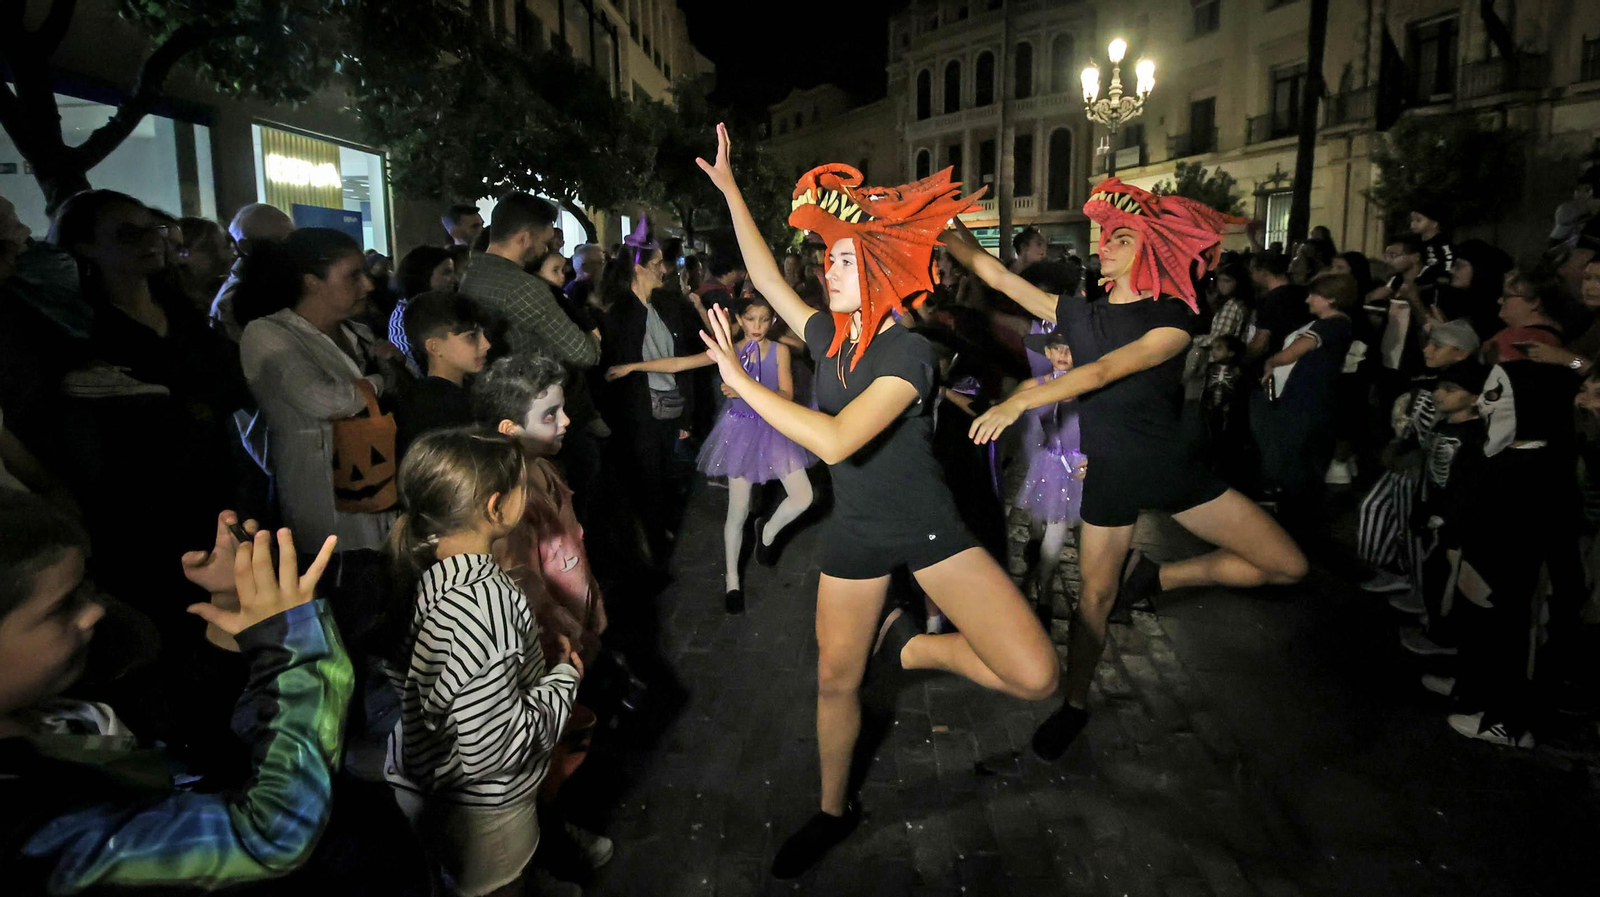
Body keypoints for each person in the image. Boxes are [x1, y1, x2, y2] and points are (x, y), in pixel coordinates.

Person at [699, 126, 1060, 878]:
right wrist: (732, 191)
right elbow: (766, 280)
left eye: (840, 260)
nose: (826, 271)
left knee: (1036, 675)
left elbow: (835, 442)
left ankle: (905, 645)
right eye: (825, 259)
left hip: (927, 524)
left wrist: (743, 383)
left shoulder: (911, 352)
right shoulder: (830, 334)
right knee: (834, 679)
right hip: (858, 532)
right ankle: (834, 811)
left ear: (873, 265)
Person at [950, 176, 1306, 761]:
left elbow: (1101, 373)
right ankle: (1074, 704)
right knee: (1092, 599)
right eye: (1104, 237)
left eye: (1120, 237)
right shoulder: (1079, 313)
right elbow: (998, 276)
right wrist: (951, 232)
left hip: (1172, 466)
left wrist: (1018, 400)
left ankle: (1158, 579)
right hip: (1109, 473)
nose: (1105, 245)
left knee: (1287, 565)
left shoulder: (1173, 318)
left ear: (1150, 249)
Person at [1, 492, 350, 894]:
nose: (93, 609)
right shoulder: (28, 834)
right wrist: (299, 646)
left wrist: (231, 602)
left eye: (85, 588)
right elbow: (270, 838)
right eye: (62, 607)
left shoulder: (49, 705)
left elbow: (180, 738)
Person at [383, 428, 583, 897]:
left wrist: (529, 654)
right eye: (521, 485)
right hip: (486, 814)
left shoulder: (425, 564)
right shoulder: (485, 604)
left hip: (437, 786)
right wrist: (564, 680)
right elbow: (495, 749)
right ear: (496, 509)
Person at [238, 228, 405, 651]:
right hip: (322, 505)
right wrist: (381, 379)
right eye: (353, 275)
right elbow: (324, 398)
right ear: (311, 281)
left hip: (379, 493)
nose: (368, 284)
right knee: (346, 623)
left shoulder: (356, 333)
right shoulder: (268, 334)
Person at [609, 294, 816, 614]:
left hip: (775, 427)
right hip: (741, 431)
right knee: (739, 509)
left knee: (804, 497)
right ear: (739, 320)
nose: (757, 326)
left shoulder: (780, 351)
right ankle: (732, 579)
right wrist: (633, 366)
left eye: (764, 319)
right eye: (750, 319)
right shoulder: (728, 352)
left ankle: (769, 531)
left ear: (773, 320)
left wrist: (744, 386)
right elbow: (680, 363)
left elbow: (786, 394)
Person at [597, 219, 700, 563]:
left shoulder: (668, 304)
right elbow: (613, 375)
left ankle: (658, 538)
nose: (663, 269)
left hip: (669, 408)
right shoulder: (619, 314)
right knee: (647, 483)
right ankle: (650, 554)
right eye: (656, 264)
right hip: (639, 417)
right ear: (637, 267)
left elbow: (683, 359)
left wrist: (685, 413)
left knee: (667, 478)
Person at [1356, 319, 1481, 598]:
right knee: (1375, 508)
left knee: (1410, 524)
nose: (1428, 350)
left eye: (1438, 346)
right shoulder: (1430, 377)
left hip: (1424, 469)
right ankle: (1401, 572)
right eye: (1429, 343)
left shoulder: (1465, 383)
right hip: (1408, 456)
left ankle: (1419, 588)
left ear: (1460, 352)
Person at [1399, 359, 1488, 664]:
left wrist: (1450, 518)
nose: (1439, 394)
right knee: (1434, 574)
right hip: (1434, 512)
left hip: (1450, 522)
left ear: (1476, 397)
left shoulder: (1475, 437)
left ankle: (1443, 636)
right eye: (1440, 387)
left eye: (1451, 390)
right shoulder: (1444, 425)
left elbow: (1466, 485)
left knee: (1446, 579)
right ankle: (1434, 624)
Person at [1253, 272, 1359, 529]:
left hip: (1307, 400)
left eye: (1315, 295)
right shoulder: (1340, 324)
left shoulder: (1330, 325)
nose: (1308, 299)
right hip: (1313, 398)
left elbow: (1293, 352)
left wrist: (1272, 361)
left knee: (1297, 459)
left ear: (1332, 299)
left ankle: (1298, 521)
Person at [461, 194, 599, 369]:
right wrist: (594, 334)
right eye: (545, 243)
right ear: (524, 239)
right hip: (529, 387)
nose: (546, 250)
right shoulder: (524, 287)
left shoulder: (470, 274)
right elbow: (584, 354)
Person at [1010, 328, 1088, 622]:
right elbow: (1009, 408)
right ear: (1047, 353)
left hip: (1077, 468)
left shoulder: (1089, 386)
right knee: (1040, 524)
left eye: (1069, 349)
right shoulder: (1035, 385)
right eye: (1057, 349)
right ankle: (1040, 575)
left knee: (1059, 531)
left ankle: (1045, 594)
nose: (1063, 355)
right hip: (1047, 462)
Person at [395, 291, 491, 461]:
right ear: (434, 347)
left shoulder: (462, 390)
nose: (486, 345)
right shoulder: (433, 407)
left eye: (483, 333)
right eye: (471, 336)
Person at [211, 203, 294, 342]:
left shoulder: (284, 285)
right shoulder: (231, 302)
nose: (290, 250)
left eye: (291, 240)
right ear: (245, 246)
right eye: (278, 242)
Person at [386, 244, 458, 367]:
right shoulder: (403, 318)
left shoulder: (443, 306)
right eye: (446, 273)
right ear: (424, 274)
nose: (454, 279)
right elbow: (410, 367)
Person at [1483, 265, 1568, 365]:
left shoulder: (1516, 340)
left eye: (1507, 296)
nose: (1500, 301)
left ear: (1534, 302)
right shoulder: (1560, 343)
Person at [1245, 251, 1310, 362]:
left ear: (1263, 272)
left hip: (1276, 361)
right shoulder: (1304, 293)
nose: (1251, 275)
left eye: (1252, 271)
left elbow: (1260, 343)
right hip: (1302, 358)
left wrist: (1243, 360)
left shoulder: (1270, 301)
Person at [175, 216, 234, 314]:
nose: (226, 256)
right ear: (181, 254)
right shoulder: (170, 303)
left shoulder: (229, 291)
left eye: (225, 246)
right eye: (210, 249)